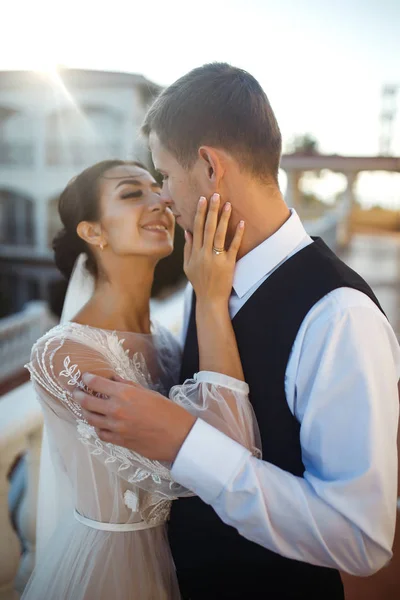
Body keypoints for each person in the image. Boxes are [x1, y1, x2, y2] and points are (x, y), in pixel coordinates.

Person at [76, 64, 400, 600]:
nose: (163, 199)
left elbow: (360, 539)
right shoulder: (204, 281)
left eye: (165, 176)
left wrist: (186, 443)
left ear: (208, 166)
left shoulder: (340, 315)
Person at [23, 159, 260, 600]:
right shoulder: (64, 355)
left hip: (186, 569)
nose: (161, 202)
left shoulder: (168, 342)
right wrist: (210, 300)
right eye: (133, 194)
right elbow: (222, 458)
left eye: (159, 189)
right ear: (93, 232)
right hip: (109, 573)